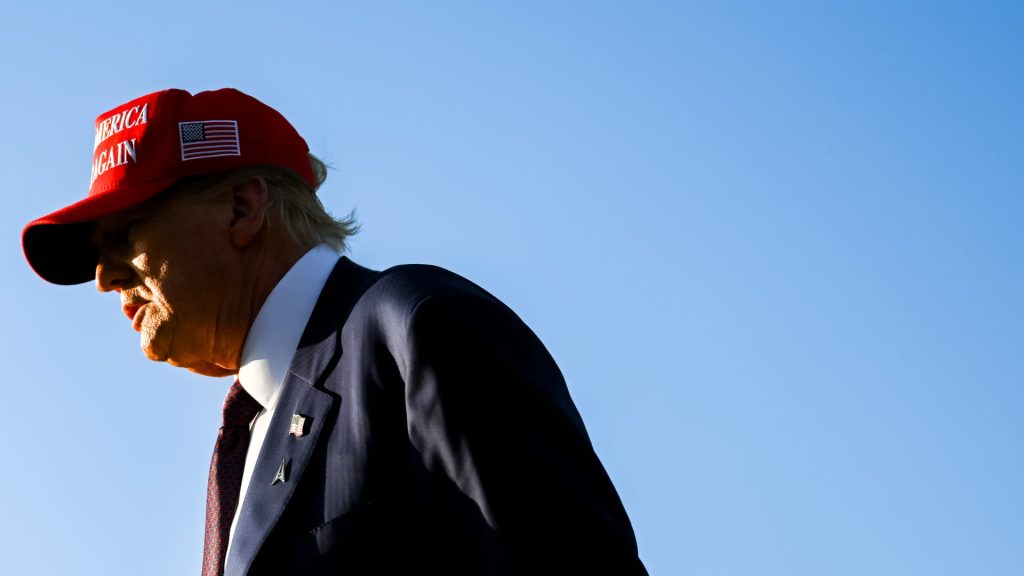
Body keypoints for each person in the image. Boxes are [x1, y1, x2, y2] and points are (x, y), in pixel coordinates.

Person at [22, 88, 647, 576]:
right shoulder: (256, 424)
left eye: (126, 233)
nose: (103, 278)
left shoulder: (416, 330)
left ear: (242, 207)